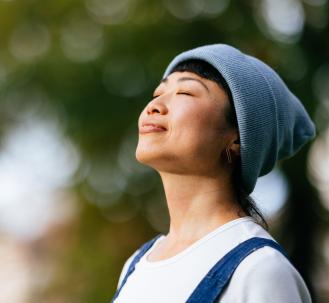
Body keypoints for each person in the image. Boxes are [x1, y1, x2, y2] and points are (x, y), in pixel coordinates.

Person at [111, 43, 316, 303]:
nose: (155, 106)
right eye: (157, 93)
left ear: (238, 137)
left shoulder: (261, 271)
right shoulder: (136, 264)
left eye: (185, 92)